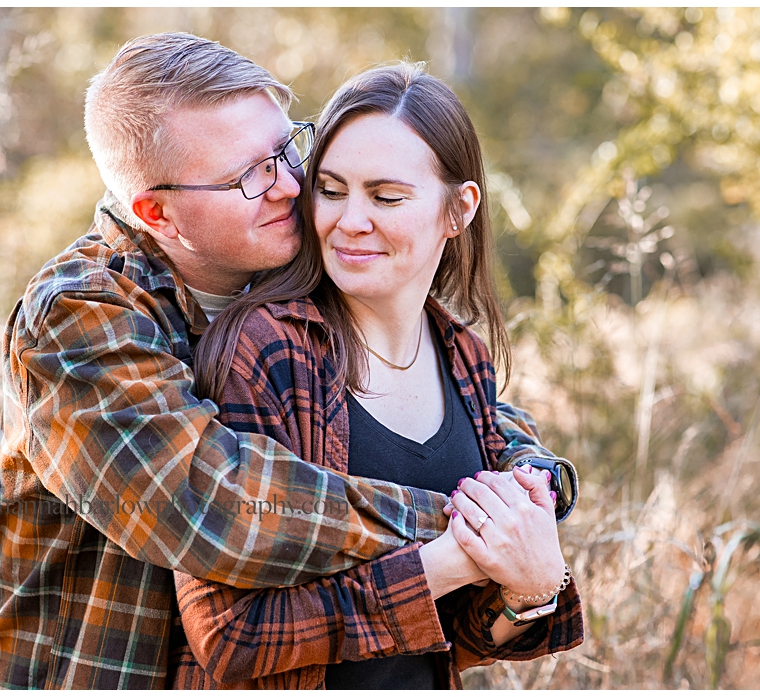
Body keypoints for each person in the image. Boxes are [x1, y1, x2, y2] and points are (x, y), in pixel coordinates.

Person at [0, 34, 572, 689]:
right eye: (251, 174)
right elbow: (215, 502)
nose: (291, 186)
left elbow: (455, 412)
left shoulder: (279, 276)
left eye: (289, 148)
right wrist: (472, 521)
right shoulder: (79, 317)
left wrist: (533, 481)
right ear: (158, 212)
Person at [168, 62, 583, 689]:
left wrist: (532, 589)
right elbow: (231, 638)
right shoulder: (265, 352)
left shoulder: (464, 358)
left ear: (458, 209)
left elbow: (455, 636)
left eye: (387, 197)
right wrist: (448, 561)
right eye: (331, 191)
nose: (350, 221)